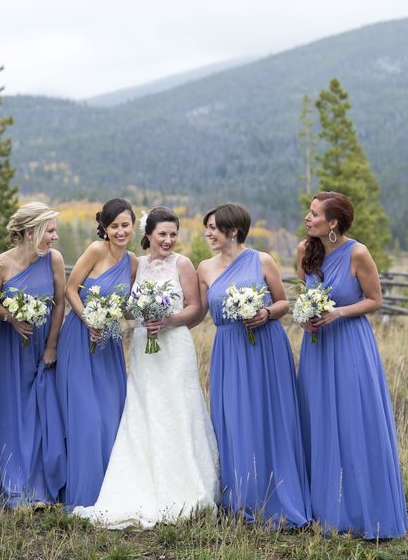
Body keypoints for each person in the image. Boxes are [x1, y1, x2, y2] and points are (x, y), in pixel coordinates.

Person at [74, 207, 220, 529]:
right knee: (144, 410)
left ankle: (185, 487)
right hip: (144, 347)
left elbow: (196, 308)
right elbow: (129, 309)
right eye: (162, 234)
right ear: (149, 235)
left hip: (174, 347)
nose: (168, 240)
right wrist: (118, 312)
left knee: (178, 409)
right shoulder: (137, 266)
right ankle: (141, 483)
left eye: (173, 234)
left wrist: (167, 320)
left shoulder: (183, 264)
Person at [297, 191, 408, 538]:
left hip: (350, 344)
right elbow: (303, 296)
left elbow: (375, 300)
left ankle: (363, 509)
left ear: (333, 223)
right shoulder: (304, 251)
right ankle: (324, 508)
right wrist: (305, 318)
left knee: (352, 419)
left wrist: (339, 312)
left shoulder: (357, 253)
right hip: (316, 346)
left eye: (314, 214)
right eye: (309, 212)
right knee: (319, 419)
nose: (308, 218)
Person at [198, 202, 310, 527]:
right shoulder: (204, 268)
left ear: (233, 231)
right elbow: (196, 311)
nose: (208, 233)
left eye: (213, 227)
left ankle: (278, 495)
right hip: (228, 350)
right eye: (207, 227)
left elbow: (284, 303)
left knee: (269, 416)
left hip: (266, 348)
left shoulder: (262, 260)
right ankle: (242, 496)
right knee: (234, 417)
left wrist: (265, 313)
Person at [56, 197, 137, 508]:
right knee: (86, 418)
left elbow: (127, 307)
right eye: (114, 225)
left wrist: (146, 313)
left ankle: (110, 490)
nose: (119, 231)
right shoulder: (95, 250)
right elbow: (70, 288)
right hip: (79, 337)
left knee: (110, 416)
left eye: (125, 225)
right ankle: (82, 492)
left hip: (109, 345)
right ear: (104, 227)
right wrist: (88, 318)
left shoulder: (133, 262)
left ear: (133, 225)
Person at [0, 202, 66, 507]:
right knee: (8, 412)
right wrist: (11, 317)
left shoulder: (54, 260)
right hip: (8, 347)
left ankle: (39, 488)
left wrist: (51, 345)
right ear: (31, 231)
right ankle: (10, 486)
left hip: (40, 345)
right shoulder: (2, 263)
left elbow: (59, 303)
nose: (54, 237)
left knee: (39, 415)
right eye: (50, 230)